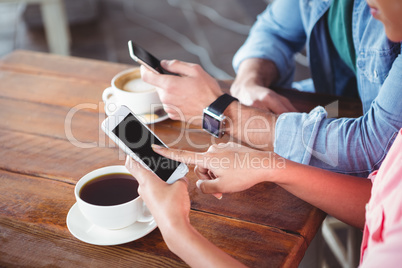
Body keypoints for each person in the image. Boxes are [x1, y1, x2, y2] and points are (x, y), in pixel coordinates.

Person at [124, 0, 402, 266]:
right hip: (333, 114)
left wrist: (176, 232)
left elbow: (372, 149)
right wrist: (248, 83)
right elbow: (377, 197)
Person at [141, 0, 402, 177]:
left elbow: (374, 149)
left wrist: (223, 113)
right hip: (337, 105)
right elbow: (274, 30)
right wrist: (248, 81)